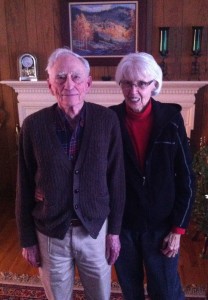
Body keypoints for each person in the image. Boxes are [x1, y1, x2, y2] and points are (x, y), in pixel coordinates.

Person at [16, 48, 125, 300]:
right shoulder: (33, 125)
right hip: (50, 234)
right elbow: (23, 185)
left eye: (76, 77)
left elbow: (117, 181)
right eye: (60, 77)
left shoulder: (107, 121)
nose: (69, 84)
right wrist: (26, 238)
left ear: (88, 83)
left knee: (100, 296)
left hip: (95, 232)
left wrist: (115, 232)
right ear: (49, 85)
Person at [110, 52, 195, 300]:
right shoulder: (110, 120)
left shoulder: (171, 120)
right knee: (130, 291)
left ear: (154, 85)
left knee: (166, 293)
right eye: (126, 82)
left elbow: (186, 178)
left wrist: (178, 229)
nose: (133, 90)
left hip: (162, 226)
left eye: (141, 83)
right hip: (123, 225)